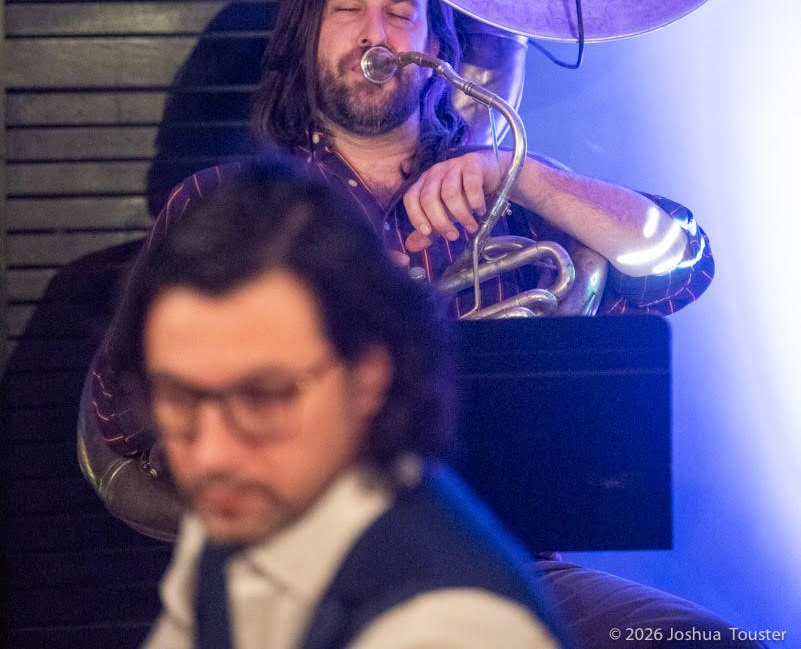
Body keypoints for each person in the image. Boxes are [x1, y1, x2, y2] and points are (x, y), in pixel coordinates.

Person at [81, 0, 731, 644]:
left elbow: (681, 266)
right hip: (302, 574)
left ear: (436, 48)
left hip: (510, 563)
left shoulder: (507, 192)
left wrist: (517, 174)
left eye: (401, 11)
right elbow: (119, 418)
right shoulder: (226, 205)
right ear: (309, 36)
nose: (375, 34)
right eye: (347, 7)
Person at [129, 155, 567, 649]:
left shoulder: (447, 628)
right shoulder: (239, 503)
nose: (210, 454)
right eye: (177, 396)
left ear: (367, 379)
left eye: (263, 397)